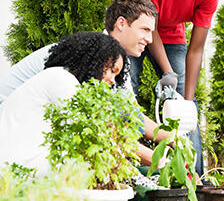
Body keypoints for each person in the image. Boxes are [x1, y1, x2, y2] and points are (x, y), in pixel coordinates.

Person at [0, 0, 168, 166]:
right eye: (145, 29)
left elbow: (130, 115)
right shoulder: (87, 58)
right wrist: (160, 161)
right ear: (121, 24)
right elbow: (100, 131)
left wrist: (173, 139)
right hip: (10, 128)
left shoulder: (112, 63)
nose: (150, 39)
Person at [110, 0, 224, 175]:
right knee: (125, 88)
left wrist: (185, 101)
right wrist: (167, 71)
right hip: (134, 19)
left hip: (169, 24)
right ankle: (127, 175)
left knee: (188, 104)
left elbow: (196, 48)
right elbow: (148, 26)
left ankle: (194, 181)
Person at [0, 32, 128, 175]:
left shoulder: (59, 76)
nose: (113, 81)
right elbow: (95, 136)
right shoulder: (62, 81)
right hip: (11, 171)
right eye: (112, 70)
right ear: (95, 61)